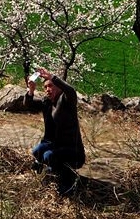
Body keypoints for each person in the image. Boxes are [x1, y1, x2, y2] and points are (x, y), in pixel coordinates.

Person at [25, 67, 85, 197]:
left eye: (51, 86)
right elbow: (28, 104)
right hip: (55, 144)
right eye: (45, 87)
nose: (48, 89)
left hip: (73, 150)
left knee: (48, 156)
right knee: (37, 151)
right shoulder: (47, 102)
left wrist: (52, 77)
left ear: (59, 87)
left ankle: (68, 181)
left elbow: (71, 91)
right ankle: (43, 175)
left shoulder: (66, 101)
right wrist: (31, 90)